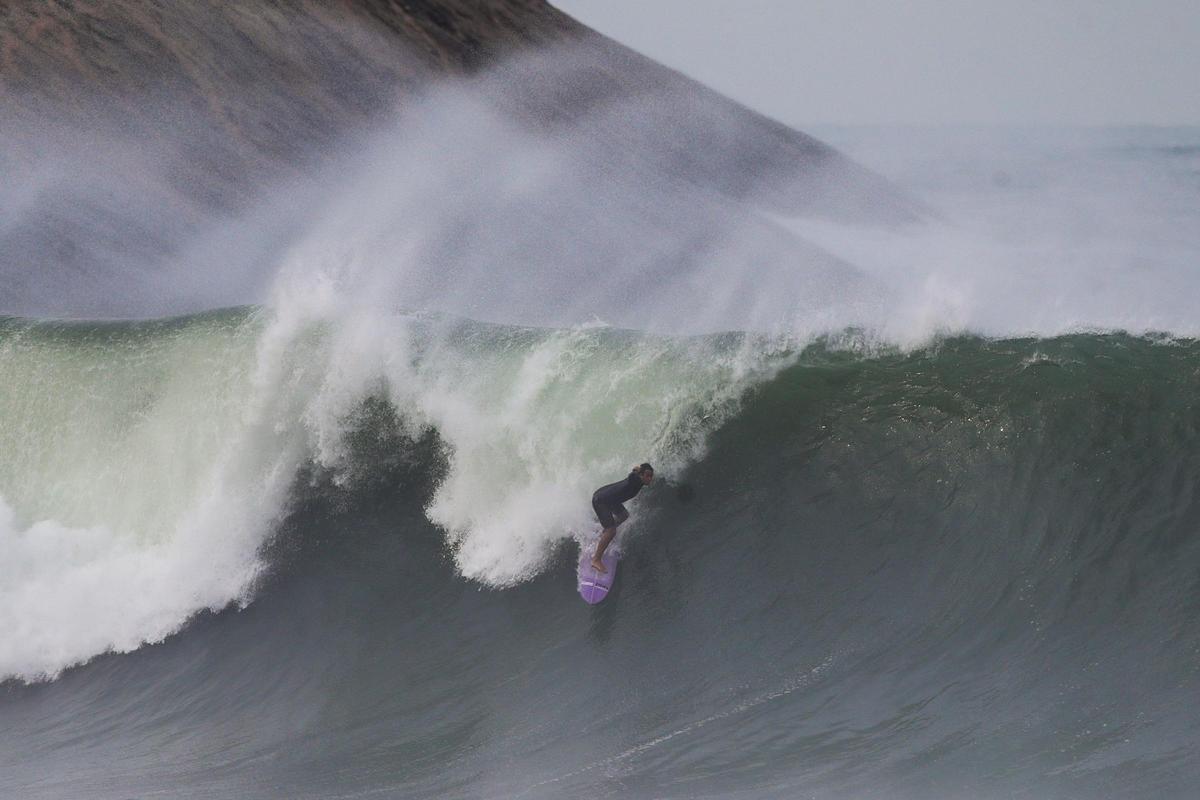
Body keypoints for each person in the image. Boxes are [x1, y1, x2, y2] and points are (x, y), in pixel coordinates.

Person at [590, 463, 654, 573]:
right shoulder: (635, 480)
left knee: (624, 515)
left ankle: (605, 533)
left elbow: (634, 474)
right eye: (647, 475)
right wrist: (636, 470)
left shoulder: (639, 481)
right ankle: (596, 560)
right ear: (641, 475)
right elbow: (632, 477)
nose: (650, 479)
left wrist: (637, 469)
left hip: (611, 499)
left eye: (651, 476)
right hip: (601, 500)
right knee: (611, 531)